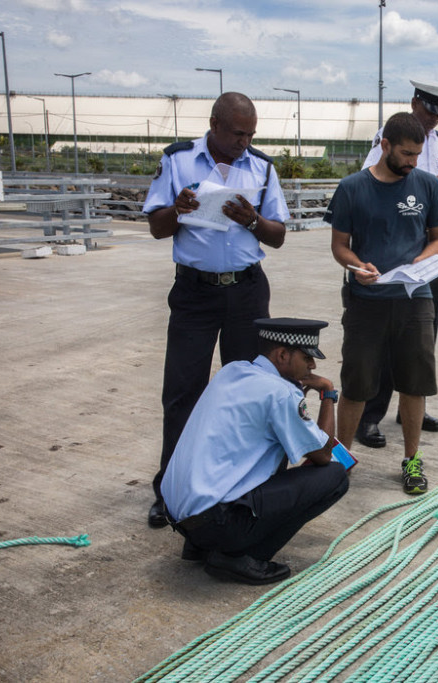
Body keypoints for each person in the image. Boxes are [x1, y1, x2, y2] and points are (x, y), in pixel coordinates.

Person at [142, 92, 291, 529]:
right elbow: (155, 227)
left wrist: (251, 220)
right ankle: (170, 491)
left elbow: (278, 235)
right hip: (195, 293)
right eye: (237, 133)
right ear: (214, 124)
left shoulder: (262, 167)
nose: (244, 141)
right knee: (183, 393)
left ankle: (238, 486)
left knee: (246, 392)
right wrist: (179, 210)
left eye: (250, 134)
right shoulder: (178, 160)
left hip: (246, 293)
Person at [161, 318, 348, 585]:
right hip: (214, 523)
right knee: (335, 476)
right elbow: (323, 454)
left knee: (276, 444)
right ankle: (239, 556)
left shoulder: (233, 370)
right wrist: (328, 393)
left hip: (180, 513)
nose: (313, 366)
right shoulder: (281, 394)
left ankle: (201, 546)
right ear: (282, 355)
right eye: (307, 357)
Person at [355, 80, 438, 449]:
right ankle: (369, 415)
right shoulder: (387, 139)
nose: (433, 120)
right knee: (384, 337)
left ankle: (411, 404)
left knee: (421, 336)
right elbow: (373, 187)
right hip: (392, 254)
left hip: (428, 254)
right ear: (414, 103)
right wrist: (429, 182)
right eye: (429, 111)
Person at [326, 112, 438, 494]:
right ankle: (340, 460)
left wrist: (424, 259)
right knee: (357, 383)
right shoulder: (352, 188)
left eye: (418, 154)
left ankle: (412, 461)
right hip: (366, 300)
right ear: (385, 146)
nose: (413, 162)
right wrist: (356, 265)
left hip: (415, 300)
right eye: (407, 154)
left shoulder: (427, 186)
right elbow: (339, 246)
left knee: (415, 384)